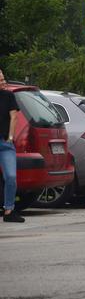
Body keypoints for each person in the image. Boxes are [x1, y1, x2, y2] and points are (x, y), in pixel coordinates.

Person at [0, 69, 24, 223]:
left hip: (5, 143)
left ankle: (9, 210)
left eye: (3, 79)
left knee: (11, 176)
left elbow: (14, 116)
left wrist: (10, 137)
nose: (3, 82)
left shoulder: (9, 96)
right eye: (0, 80)